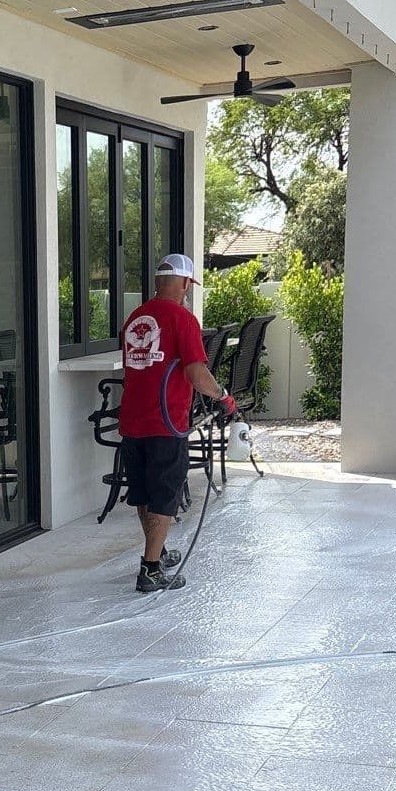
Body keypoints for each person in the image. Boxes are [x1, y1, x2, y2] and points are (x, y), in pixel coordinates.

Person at [118, 254, 235, 593]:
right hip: (165, 423)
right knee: (165, 495)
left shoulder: (135, 318)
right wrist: (223, 396)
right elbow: (196, 373)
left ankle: (157, 551)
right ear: (185, 284)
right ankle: (151, 570)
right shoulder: (183, 319)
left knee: (143, 492)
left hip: (132, 421)